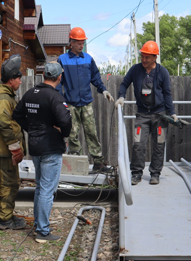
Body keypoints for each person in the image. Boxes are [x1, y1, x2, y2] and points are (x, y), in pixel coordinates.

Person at [13, 62, 72, 243]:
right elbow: (66, 121)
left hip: (35, 147)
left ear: (44, 75)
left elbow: (17, 114)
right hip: (50, 148)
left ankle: (40, 226)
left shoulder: (30, 93)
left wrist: (32, 128)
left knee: (40, 187)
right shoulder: (55, 97)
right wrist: (62, 132)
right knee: (47, 190)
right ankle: (42, 231)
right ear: (59, 77)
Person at [115, 41, 178, 186]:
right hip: (142, 115)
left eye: (147, 57)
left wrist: (172, 113)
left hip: (160, 115)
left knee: (159, 145)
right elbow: (124, 83)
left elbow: (167, 94)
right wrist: (121, 96)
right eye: (142, 56)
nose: (144, 60)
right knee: (138, 144)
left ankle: (155, 174)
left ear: (155, 57)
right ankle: (136, 174)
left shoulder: (163, 72)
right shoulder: (135, 70)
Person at [57, 27, 114, 174]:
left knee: (91, 132)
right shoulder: (62, 60)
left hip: (86, 103)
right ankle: (77, 162)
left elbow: (95, 77)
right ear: (72, 42)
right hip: (71, 103)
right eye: (79, 43)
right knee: (72, 134)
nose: (82, 45)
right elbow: (58, 82)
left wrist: (104, 90)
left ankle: (98, 163)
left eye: (83, 42)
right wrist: (59, 101)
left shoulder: (88, 59)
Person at [0, 54, 27, 230]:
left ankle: (8, 215)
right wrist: (14, 148)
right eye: (18, 77)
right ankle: (5, 220)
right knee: (7, 183)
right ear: (11, 80)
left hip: (5, 149)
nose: (20, 80)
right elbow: (3, 123)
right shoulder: (4, 99)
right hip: (5, 150)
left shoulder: (5, 96)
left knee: (11, 182)